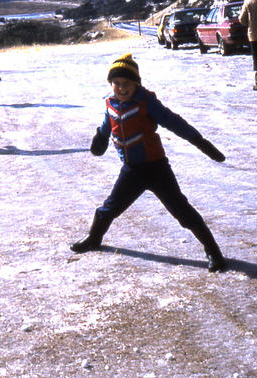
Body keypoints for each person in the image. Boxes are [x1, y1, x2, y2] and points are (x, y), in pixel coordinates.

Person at [70, 53, 228, 272]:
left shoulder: (147, 102)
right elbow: (107, 124)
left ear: (136, 84)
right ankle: (93, 239)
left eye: (126, 83)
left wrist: (201, 142)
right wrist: (100, 138)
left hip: (156, 169)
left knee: (183, 212)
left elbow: (174, 122)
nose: (121, 88)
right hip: (132, 171)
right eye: (116, 83)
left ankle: (214, 252)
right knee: (108, 209)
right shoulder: (111, 103)